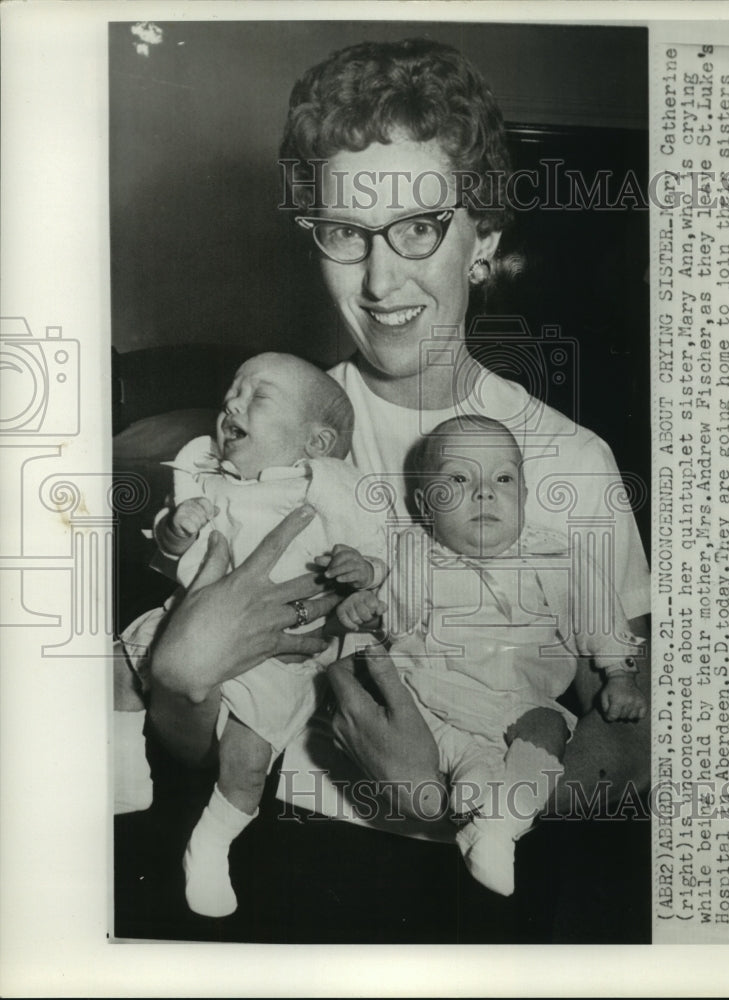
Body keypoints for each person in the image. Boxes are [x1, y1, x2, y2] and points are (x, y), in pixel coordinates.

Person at [115, 37, 651, 936]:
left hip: (498, 895)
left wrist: (440, 797)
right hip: (282, 874)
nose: (379, 279)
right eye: (342, 232)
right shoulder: (267, 453)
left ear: (482, 240)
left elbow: (632, 742)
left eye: (419, 226)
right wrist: (176, 677)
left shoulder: (571, 462)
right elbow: (192, 742)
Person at [119, 352, 387, 916]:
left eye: (256, 396)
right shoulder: (206, 476)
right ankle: (124, 770)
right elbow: (170, 559)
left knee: (248, 758)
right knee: (117, 666)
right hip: (181, 615)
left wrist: (360, 567)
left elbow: (378, 556)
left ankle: (213, 842)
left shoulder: (328, 488)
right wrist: (175, 529)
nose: (230, 404)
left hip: (276, 656)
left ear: (316, 443)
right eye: (231, 393)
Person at [347, 414, 646, 896]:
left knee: (549, 732)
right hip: (431, 699)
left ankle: (497, 826)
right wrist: (367, 608)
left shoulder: (555, 556)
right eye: (459, 479)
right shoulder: (413, 554)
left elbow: (599, 614)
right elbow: (393, 622)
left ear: (525, 498)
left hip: (518, 705)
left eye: (503, 479)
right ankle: (487, 818)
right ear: (425, 505)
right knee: (454, 758)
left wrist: (619, 674)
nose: (485, 493)